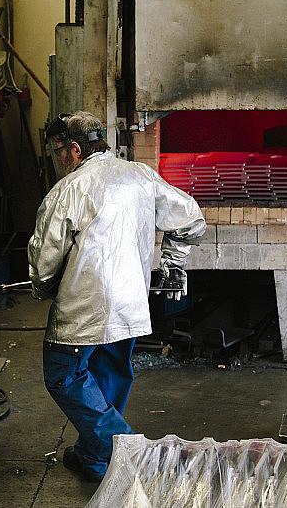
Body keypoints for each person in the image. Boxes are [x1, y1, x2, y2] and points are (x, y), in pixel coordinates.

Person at [28, 111, 205, 482]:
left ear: (75, 149)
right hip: (130, 307)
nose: (60, 160)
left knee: (63, 376)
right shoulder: (139, 176)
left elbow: (44, 261)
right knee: (106, 378)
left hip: (84, 310)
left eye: (61, 151)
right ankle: (95, 460)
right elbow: (190, 216)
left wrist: (44, 288)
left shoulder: (69, 191)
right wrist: (172, 262)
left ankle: (130, 453)